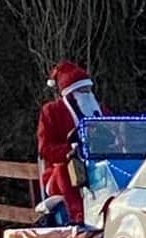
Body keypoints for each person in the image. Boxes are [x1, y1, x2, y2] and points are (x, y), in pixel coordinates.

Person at [36, 60, 110, 225]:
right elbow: (45, 149)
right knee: (67, 169)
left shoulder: (101, 112)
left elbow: (115, 137)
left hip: (98, 168)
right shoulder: (51, 112)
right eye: (81, 91)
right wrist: (71, 149)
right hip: (61, 174)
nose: (87, 94)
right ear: (71, 94)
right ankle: (79, 217)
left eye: (88, 90)